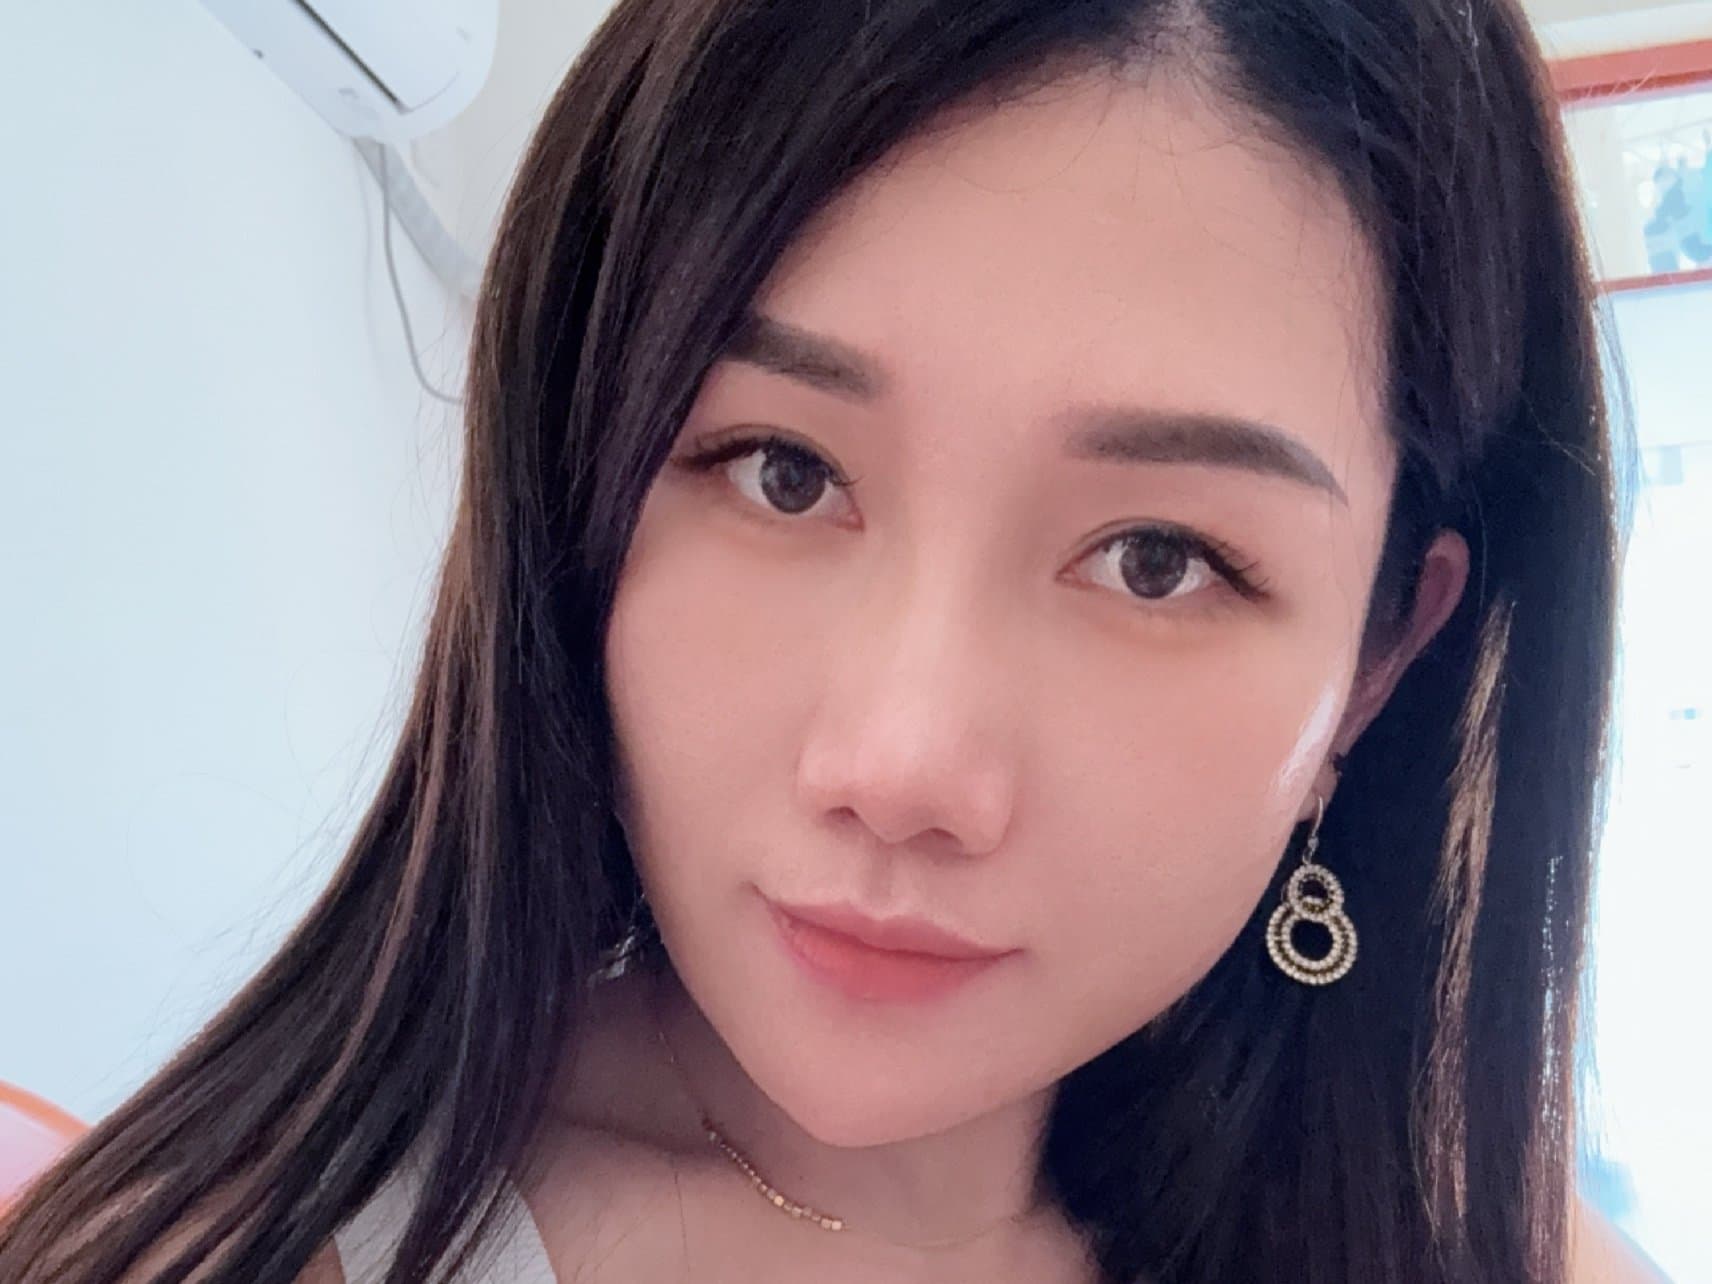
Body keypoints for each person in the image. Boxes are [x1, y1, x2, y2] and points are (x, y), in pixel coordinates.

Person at [0, 0, 1669, 1280]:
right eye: (782, 471)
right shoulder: (268, 1252)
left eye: (1158, 561)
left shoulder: (1477, 1241)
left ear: (1377, 662)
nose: (904, 765)